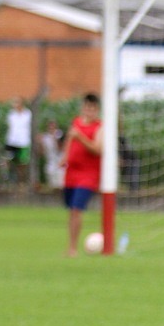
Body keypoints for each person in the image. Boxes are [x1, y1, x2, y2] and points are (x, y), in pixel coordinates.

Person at [62, 93, 103, 258]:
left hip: (88, 175)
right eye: (87, 107)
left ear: (97, 110)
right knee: (71, 210)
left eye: (93, 108)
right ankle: (71, 246)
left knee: (76, 209)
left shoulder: (100, 127)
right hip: (71, 173)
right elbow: (69, 140)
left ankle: (73, 249)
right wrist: (64, 157)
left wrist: (81, 136)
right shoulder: (76, 123)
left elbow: (97, 149)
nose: (89, 111)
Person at [4, 96, 33, 187]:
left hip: (23, 141)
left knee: (22, 163)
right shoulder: (11, 114)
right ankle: (8, 181)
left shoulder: (28, 114)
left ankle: (21, 181)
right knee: (8, 160)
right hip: (11, 141)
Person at [39, 118, 65, 189]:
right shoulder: (45, 137)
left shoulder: (60, 134)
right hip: (50, 163)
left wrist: (54, 139)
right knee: (51, 183)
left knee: (60, 183)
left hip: (60, 162)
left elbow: (60, 148)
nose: (51, 128)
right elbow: (42, 153)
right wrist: (40, 143)